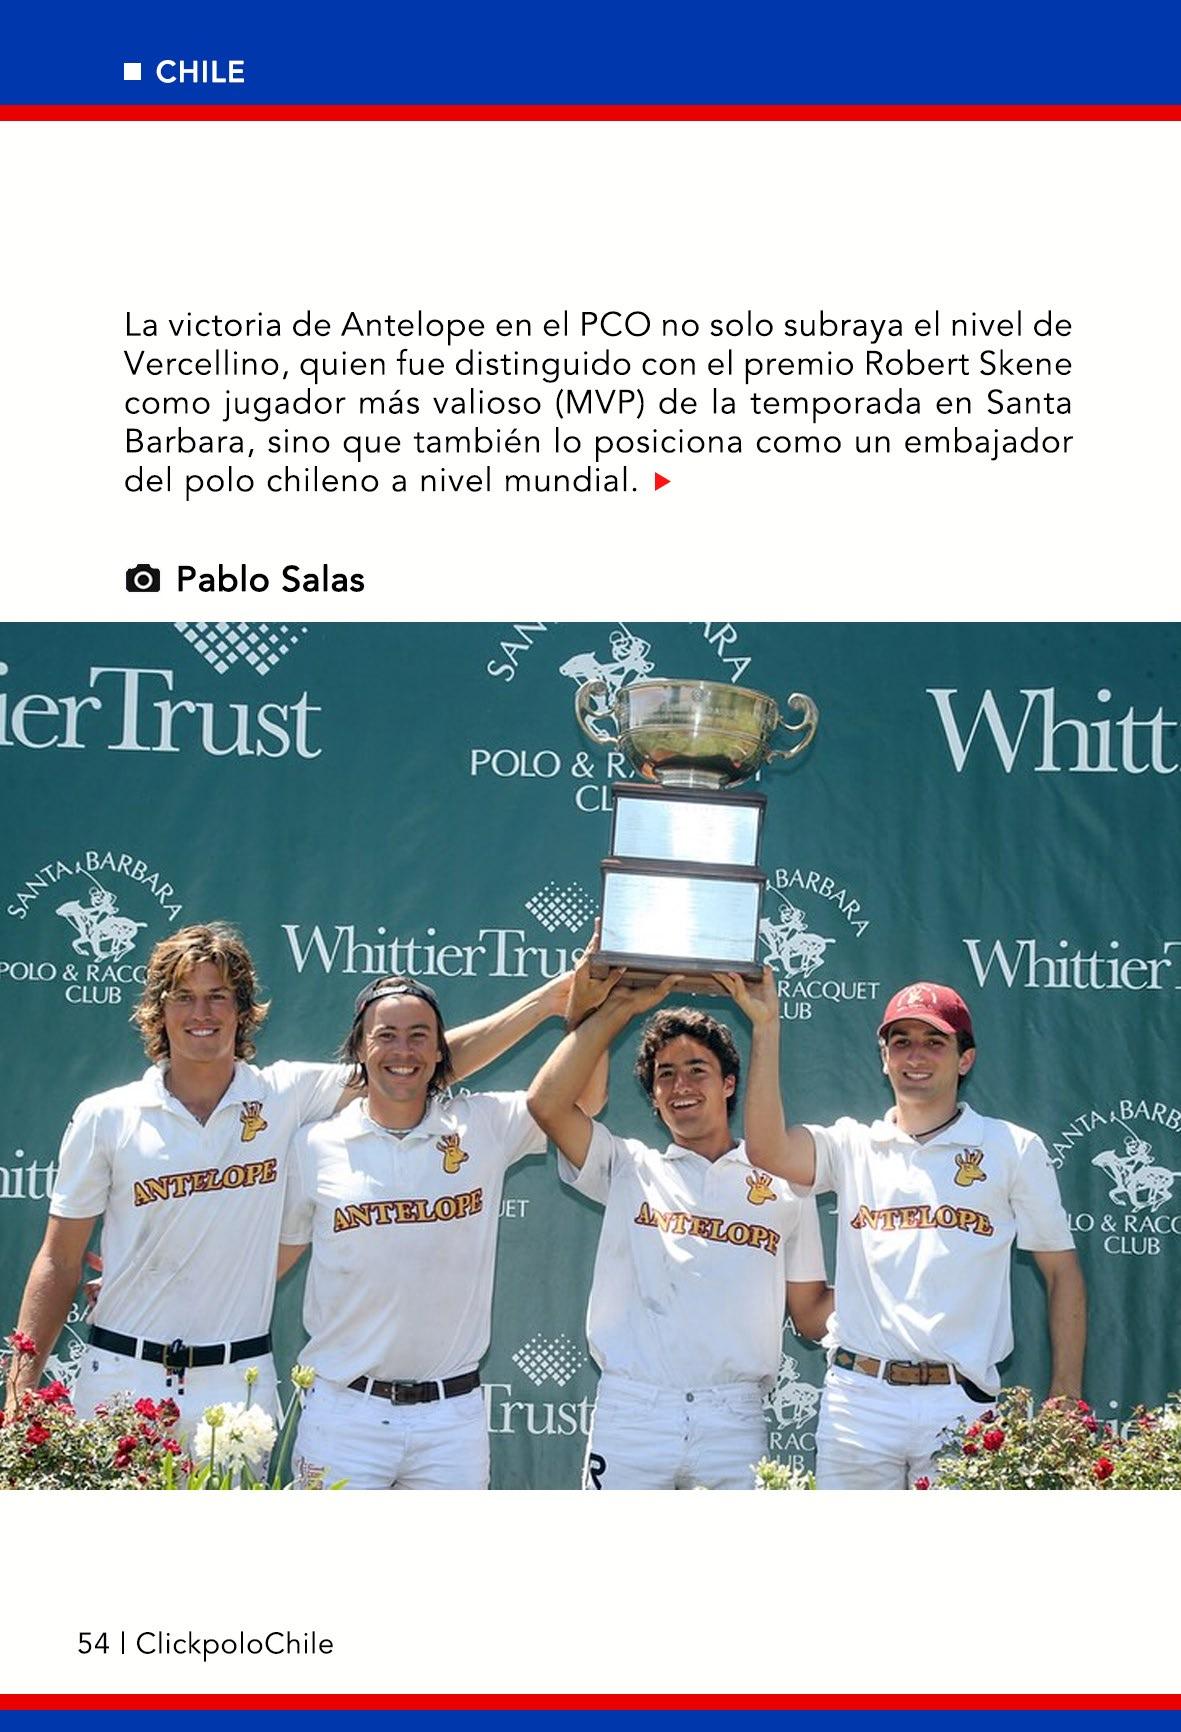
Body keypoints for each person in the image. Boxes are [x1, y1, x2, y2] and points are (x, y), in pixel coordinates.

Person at [5, 922, 583, 1440]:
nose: (201, 1013)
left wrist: (548, 1002)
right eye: (183, 996)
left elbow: (415, 1065)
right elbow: (59, 1259)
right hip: (120, 1374)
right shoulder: (107, 1116)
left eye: (218, 996)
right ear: (159, 1011)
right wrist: (19, 1391)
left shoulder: (284, 1096)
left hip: (237, 1383)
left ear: (243, 1009)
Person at [736, 973, 1087, 1490]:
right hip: (860, 1402)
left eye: (934, 1042)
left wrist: (1066, 1398)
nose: (915, 1056)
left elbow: (1062, 1273)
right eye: (900, 1042)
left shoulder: (1012, 1148)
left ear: (965, 1059)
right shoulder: (852, 1145)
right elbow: (767, 1151)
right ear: (884, 1058)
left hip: (961, 1401)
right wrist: (766, 1028)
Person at [279, 954, 609, 1491]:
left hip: (450, 1419)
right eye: (386, 1036)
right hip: (343, 1414)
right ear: (360, 1049)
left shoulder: (483, 1126)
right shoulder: (313, 1145)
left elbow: (586, 1102)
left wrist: (589, 1012)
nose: (403, 1052)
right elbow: (274, 1256)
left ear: (440, 1051)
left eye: (419, 1037)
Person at [526, 971, 832, 1491]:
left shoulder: (786, 1184)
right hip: (633, 1413)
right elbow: (546, 1104)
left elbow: (810, 1314)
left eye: (697, 1070)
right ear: (652, 1095)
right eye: (664, 1075)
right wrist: (618, 1008)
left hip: (733, 1417)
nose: (681, 1086)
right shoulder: (628, 1167)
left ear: (729, 1083)